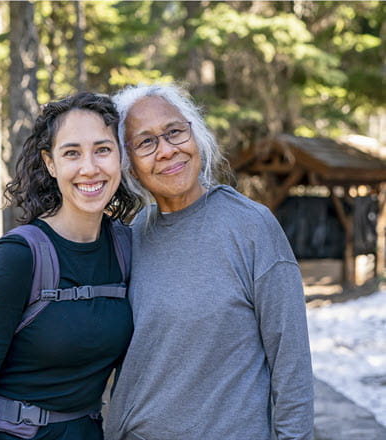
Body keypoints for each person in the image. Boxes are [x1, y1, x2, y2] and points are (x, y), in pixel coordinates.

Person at [105, 83, 314, 440]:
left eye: (174, 132)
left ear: (195, 134)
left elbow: (290, 361)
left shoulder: (251, 226)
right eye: (145, 142)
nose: (167, 151)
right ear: (129, 166)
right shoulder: (132, 234)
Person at [0, 91, 141, 440]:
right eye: (72, 153)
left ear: (120, 158)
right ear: (50, 163)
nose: (89, 168)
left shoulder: (127, 247)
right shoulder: (19, 255)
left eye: (102, 149)